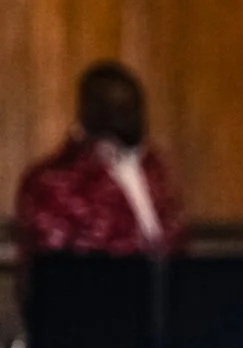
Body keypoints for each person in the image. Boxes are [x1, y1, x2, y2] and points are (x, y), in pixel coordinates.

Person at [12, 62, 186, 258]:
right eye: (120, 110)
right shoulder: (52, 181)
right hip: (94, 284)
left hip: (165, 284)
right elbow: (51, 262)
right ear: (89, 113)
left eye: (135, 109)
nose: (132, 119)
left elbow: (176, 239)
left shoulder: (155, 168)